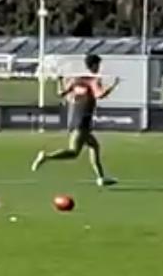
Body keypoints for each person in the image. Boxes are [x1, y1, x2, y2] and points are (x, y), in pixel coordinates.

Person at [31, 54, 119, 187]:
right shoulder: (93, 81)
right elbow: (100, 95)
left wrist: (60, 80)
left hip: (73, 119)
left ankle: (101, 177)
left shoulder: (76, 80)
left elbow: (61, 93)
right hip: (83, 120)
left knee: (94, 146)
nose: (99, 68)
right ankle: (46, 157)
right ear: (94, 65)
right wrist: (113, 85)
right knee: (73, 152)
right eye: (98, 65)